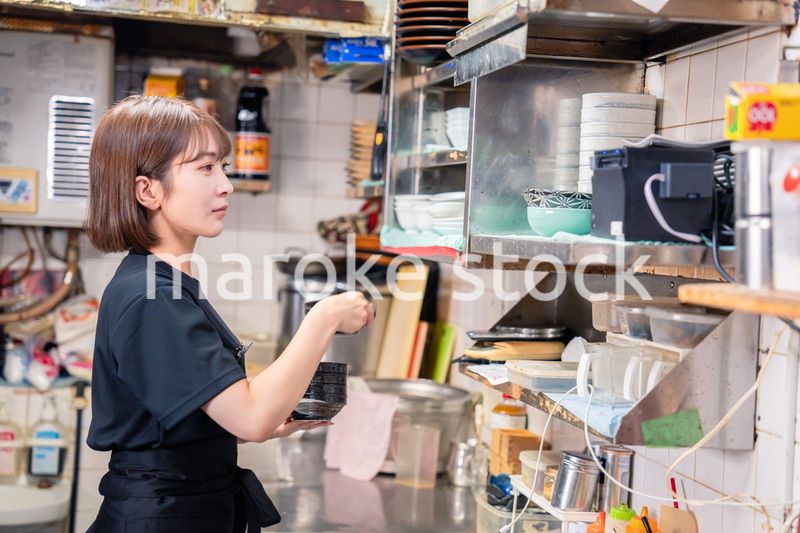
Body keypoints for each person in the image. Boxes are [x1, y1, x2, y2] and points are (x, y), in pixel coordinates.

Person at [84, 95, 374, 532]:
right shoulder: (152, 297)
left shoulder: (159, 284)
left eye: (221, 165)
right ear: (148, 190)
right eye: (205, 168)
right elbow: (251, 418)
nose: (226, 184)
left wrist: (255, 421)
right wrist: (325, 315)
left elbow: (180, 419)